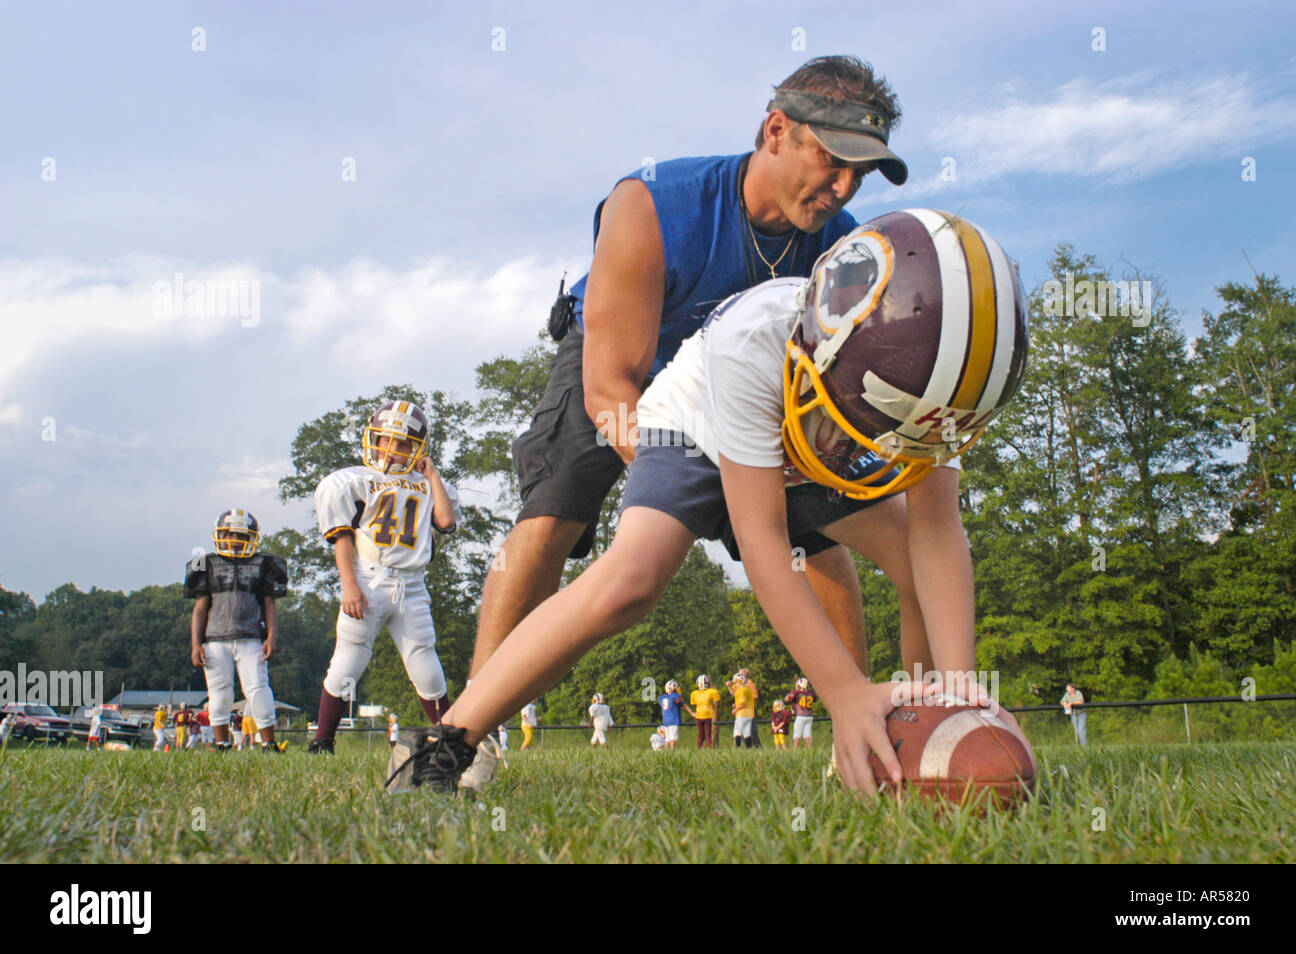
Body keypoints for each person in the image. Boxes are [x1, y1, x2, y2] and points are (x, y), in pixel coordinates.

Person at [387, 210, 1033, 795]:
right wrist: (844, 693)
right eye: (878, 413)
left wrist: (959, 688)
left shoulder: (946, 363)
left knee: (911, 563)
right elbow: (762, 543)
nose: (890, 436)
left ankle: (923, 730)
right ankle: (448, 739)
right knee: (630, 580)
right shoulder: (754, 338)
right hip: (698, 426)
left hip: (804, 446)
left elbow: (937, 531)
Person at [459, 56, 910, 791]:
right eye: (832, 162)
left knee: (820, 534)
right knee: (552, 517)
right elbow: (612, 389)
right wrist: (701, 475)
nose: (842, 189)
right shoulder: (654, 204)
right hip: (622, 358)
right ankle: (470, 730)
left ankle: (851, 731)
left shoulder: (842, 250)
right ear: (776, 131)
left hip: (744, 381)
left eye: (858, 176)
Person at [308, 401, 462, 755]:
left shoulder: (427, 484)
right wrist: (349, 584)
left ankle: (451, 744)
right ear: (373, 439)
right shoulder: (355, 481)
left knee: (427, 666)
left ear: (418, 449)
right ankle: (323, 741)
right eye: (385, 440)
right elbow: (342, 536)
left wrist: (433, 476)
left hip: (412, 584)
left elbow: (446, 522)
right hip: (368, 580)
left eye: (403, 443)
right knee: (349, 660)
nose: (392, 450)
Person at [184, 508, 287, 753]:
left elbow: (269, 604)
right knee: (218, 693)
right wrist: (195, 643)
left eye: (241, 536)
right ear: (220, 535)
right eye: (230, 535)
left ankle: (268, 744)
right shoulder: (205, 563)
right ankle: (221, 744)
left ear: (251, 538)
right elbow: (200, 609)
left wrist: (272, 637)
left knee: (259, 689)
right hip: (215, 639)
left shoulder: (264, 563)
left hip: (251, 637)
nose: (236, 541)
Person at [785, 676, 817, 748]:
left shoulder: (796, 692)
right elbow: (814, 700)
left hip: (800, 716)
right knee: (807, 734)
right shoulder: (811, 693)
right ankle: (809, 750)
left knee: (797, 735)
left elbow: (787, 699)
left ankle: (795, 750)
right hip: (809, 716)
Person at [689, 675, 720, 749]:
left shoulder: (694, 693)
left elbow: (693, 703)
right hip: (708, 715)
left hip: (699, 715)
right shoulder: (712, 692)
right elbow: (716, 702)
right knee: (708, 734)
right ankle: (708, 747)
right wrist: (713, 706)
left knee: (700, 734)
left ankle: (699, 748)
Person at [728, 672, 757, 749]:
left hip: (742, 714)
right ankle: (749, 749)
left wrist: (735, 709)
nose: (735, 684)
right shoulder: (747, 689)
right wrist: (729, 687)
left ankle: (737, 748)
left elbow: (742, 704)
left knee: (737, 731)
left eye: (736, 682)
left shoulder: (742, 690)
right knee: (746, 733)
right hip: (750, 714)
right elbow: (734, 694)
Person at [657, 680, 686, 750]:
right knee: (673, 737)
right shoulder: (675, 696)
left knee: (667, 738)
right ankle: (672, 751)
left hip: (665, 720)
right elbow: (683, 706)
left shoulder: (662, 697)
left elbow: (660, 702)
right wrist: (680, 695)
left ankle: (666, 752)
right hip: (673, 720)